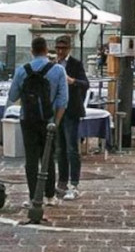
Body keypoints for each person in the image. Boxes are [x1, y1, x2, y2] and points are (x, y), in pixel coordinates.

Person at [7, 37, 68, 211]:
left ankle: (34, 196)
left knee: (31, 159)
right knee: (48, 157)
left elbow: (12, 96)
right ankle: (49, 195)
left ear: (32, 51)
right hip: (49, 120)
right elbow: (63, 100)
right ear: (47, 50)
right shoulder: (58, 70)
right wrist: (55, 122)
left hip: (28, 119)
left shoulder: (22, 70)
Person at [54, 35, 89, 201]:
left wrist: (73, 81)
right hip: (57, 111)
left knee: (71, 149)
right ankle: (62, 181)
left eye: (63, 48)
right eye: (58, 48)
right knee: (59, 148)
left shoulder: (75, 64)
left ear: (69, 48)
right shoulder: (53, 64)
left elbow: (85, 84)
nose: (60, 51)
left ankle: (74, 183)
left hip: (71, 111)